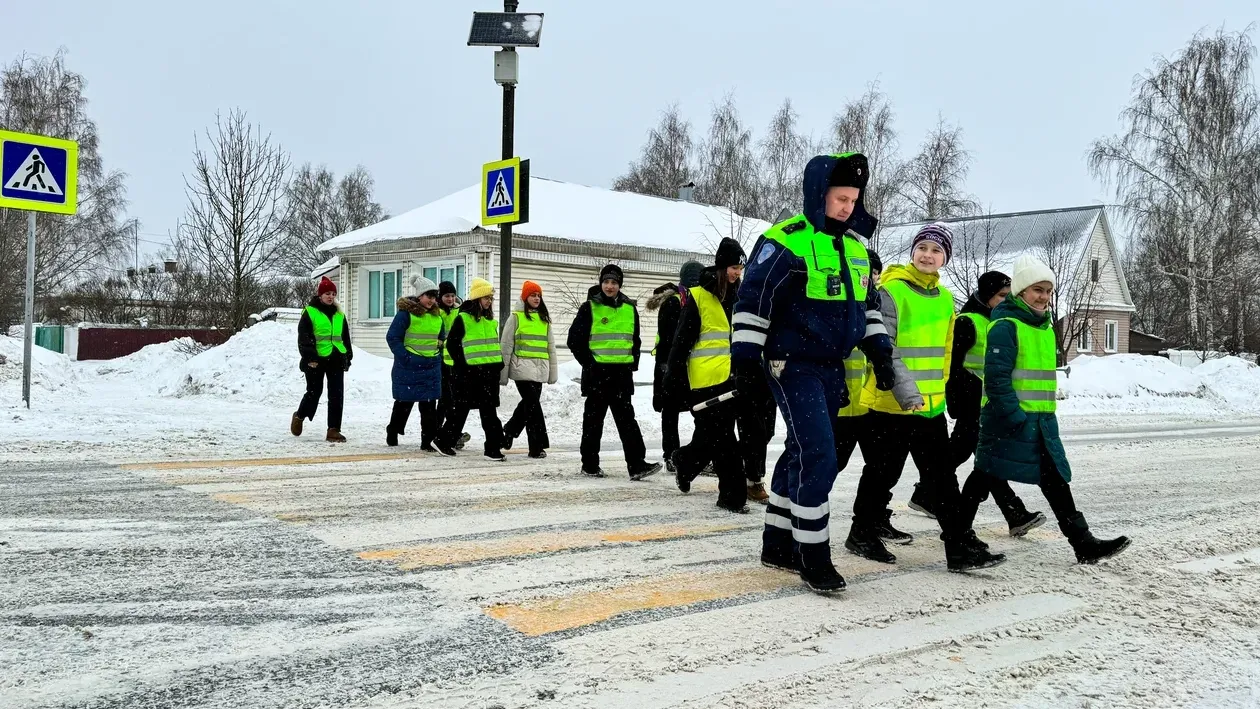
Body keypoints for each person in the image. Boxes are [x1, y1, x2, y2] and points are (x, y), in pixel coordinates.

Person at [733, 152, 894, 594]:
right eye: (840, 198)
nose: (847, 207)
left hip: (831, 367)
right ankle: (813, 557)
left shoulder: (857, 249)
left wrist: (880, 352)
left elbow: (867, 308)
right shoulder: (786, 241)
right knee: (820, 454)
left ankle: (777, 544)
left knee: (799, 452)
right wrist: (744, 361)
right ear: (818, 193)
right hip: (791, 362)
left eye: (853, 199)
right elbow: (753, 301)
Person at [847, 223, 1006, 572]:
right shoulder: (891, 290)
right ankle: (861, 532)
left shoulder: (946, 299)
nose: (928, 255)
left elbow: (947, 353)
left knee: (943, 480)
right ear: (913, 252)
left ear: (945, 258)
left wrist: (941, 392)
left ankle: (958, 547)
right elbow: (882, 346)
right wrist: (907, 393)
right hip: (891, 402)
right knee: (882, 474)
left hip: (929, 407)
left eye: (936, 251)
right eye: (923, 248)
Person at [958, 256, 1131, 564]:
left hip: (1040, 422)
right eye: (1037, 289)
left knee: (1054, 480)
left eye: (1048, 291)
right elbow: (997, 379)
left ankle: (1083, 542)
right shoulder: (1005, 326)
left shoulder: (1045, 327)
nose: (1044, 297)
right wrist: (1013, 416)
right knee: (983, 478)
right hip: (1008, 420)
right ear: (1021, 292)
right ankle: (957, 540)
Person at [916, 270, 1046, 536]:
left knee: (975, 456)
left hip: (988, 402)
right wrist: (963, 397)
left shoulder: (999, 321)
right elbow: (951, 366)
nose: (1006, 300)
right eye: (1001, 295)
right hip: (971, 403)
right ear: (987, 296)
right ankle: (1012, 512)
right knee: (982, 457)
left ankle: (927, 494)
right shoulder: (968, 322)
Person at [830, 252, 911, 547]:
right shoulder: (837, 303)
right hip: (839, 407)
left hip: (868, 405)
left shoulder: (875, 308)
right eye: (869, 274)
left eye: (875, 274)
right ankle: (798, 520)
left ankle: (873, 520)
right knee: (828, 468)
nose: (872, 280)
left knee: (882, 467)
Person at [666, 237, 749, 513]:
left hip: (728, 378)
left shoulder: (737, 298)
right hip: (703, 382)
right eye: (735, 267)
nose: (738, 272)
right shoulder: (698, 297)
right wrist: (673, 380)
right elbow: (681, 342)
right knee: (725, 440)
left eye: (741, 268)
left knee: (710, 437)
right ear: (722, 266)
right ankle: (732, 497)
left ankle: (684, 462)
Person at [567, 264, 663, 480]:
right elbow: (574, 340)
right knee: (593, 421)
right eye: (606, 282)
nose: (610, 286)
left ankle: (637, 464)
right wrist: (590, 365)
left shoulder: (630, 309)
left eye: (614, 282)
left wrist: (632, 364)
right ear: (601, 284)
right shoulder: (589, 307)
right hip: (597, 375)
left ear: (620, 285)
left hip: (621, 376)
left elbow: (635, 340)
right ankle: (590, 465)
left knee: (628, 421)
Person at [433, 278, 507, 460]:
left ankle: (493, 448)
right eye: (486, 298)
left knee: (488, 412)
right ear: (477, 299)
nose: (489, 301)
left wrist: (498, 365)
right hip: (469, 375)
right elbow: (452, 345)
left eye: (491, 298)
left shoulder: (490, 321)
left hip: (488, 374)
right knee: (461, 411)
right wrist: (464, 367)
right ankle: (443, 441)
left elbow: (491, 347)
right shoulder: (463, 319)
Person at [648, 260, 704, 471]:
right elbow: (670, 337)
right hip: (671, 366)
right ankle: (671, 454)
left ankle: (698, 454)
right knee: (670, 412)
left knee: (701, 411)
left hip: (693, 365)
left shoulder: (697, 301)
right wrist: (669, 365)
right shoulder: (673, 302)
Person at [499, 280, 559, 459]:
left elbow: (551, 347)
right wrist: (503, 373)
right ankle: (537, 445)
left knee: (530, 406)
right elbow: (506, 345)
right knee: (532, 405)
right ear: (525, 297)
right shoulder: (516, 317)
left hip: (539, 370)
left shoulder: (544, 320)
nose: (536, 298)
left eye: (539, 295)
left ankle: (510, 431)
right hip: (521, 370)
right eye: (533, 295)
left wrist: (552, 373)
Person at [385, 276, 445, 450]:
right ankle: (393, 430)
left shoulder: (437, 316)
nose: (432, 300)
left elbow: (441, 337)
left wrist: (438, 353)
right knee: (404, 403)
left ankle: (427, 441)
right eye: (429, 296)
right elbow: (393, 337)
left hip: (431, 367)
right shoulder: (405, 314)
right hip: (409, 367)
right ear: (419, 296)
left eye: (434, 297)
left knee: (429, 408)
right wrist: (405, 357)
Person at [292, 277, 352, 442]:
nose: (331, 296)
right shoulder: (310, 312)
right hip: (316, 360)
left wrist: (347, 356)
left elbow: (345, 337)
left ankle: (333, 429)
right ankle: (300, 416)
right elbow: (304, 337)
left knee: (336, 395)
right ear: (320, 295)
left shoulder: (339, 314)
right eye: (327, 293)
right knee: (314, 392)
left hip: (336, 358)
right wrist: (310, 357)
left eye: (333, 293)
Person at [436, 281, 470, 451]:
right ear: (440, 297)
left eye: (452, 295)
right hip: (440, 360)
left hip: (455, 361)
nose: (450, 299)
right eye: (446, 296)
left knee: (451, 399)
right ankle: (441, 432)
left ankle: (448, 432)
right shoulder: (437, 313)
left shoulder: (459, 312)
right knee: (445, 400)